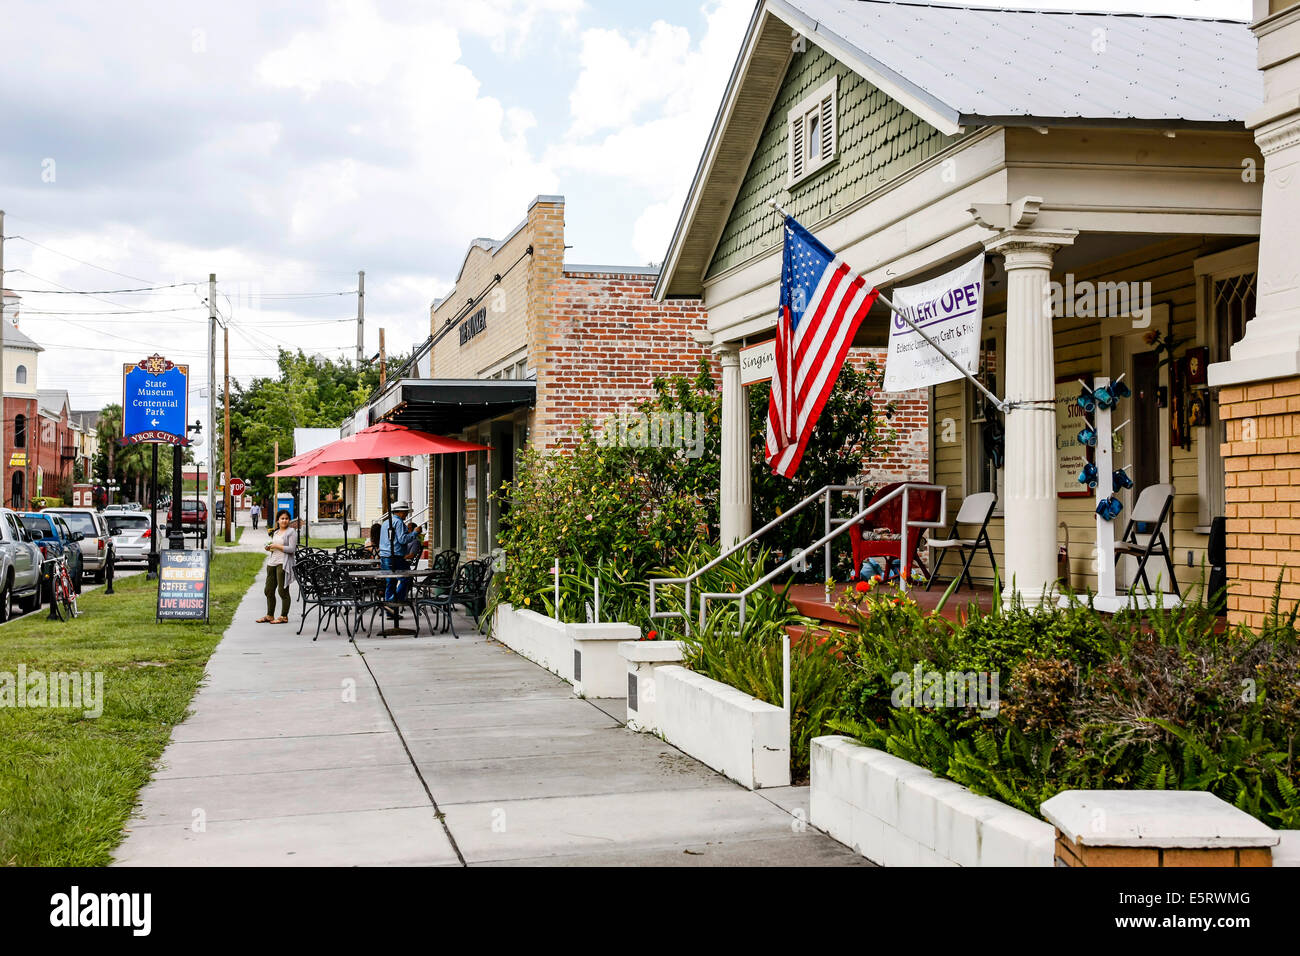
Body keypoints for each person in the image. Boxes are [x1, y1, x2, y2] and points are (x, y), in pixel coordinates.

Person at [378, 500, 419, 614]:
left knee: (390, 582)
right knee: (407, 578)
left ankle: (390, 612)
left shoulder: (386, 523)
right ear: (400, 512)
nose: (406, 514)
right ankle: (391, 602)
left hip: (385, 556)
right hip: (395, 556)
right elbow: (402, 539)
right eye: (405, 512)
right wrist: (414, 533)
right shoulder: (399, 522)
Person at [258, 510, 298, 624]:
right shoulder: (276, 532)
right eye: (282, 518)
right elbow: (275, 547)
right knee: (268, 590)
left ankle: (284, 616)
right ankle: (270, 615)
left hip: (283, 563)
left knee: (282, 591)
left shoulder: (291, 532)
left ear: (289, 520)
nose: (284, 520)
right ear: (278, 520)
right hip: (272, 562)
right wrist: (270, 547)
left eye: (286, 518)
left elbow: (292, 549)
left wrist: (277, 545)